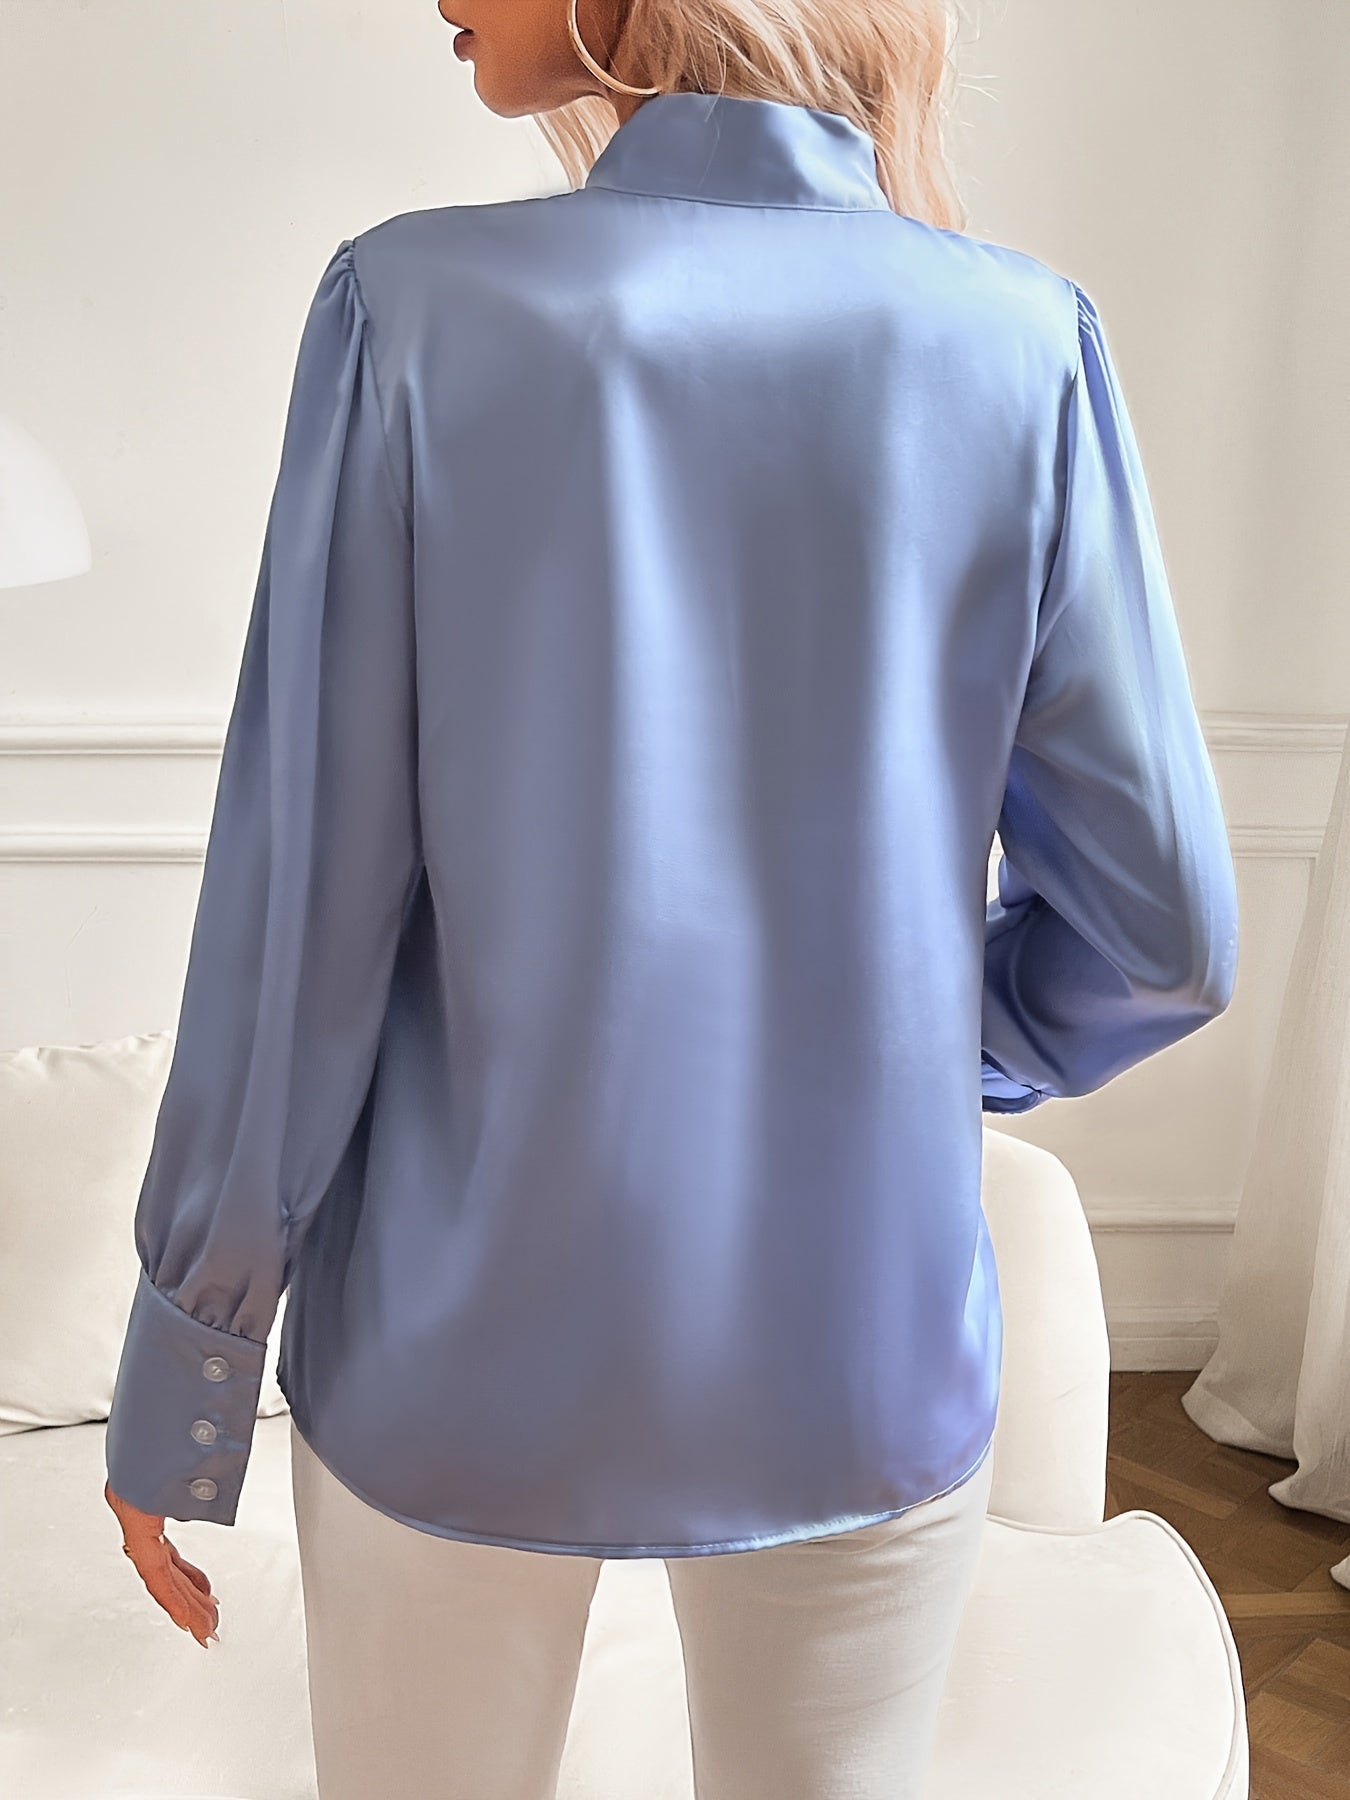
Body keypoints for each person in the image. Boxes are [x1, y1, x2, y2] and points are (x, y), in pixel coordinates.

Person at [102, 0, 1240, 1794]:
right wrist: (902, 1050)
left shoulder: (409, 310)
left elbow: (299, 905)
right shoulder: (1024, 344)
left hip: (450, 1339)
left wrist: (190, 1361)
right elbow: (1160, 937)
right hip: (853, 1348)